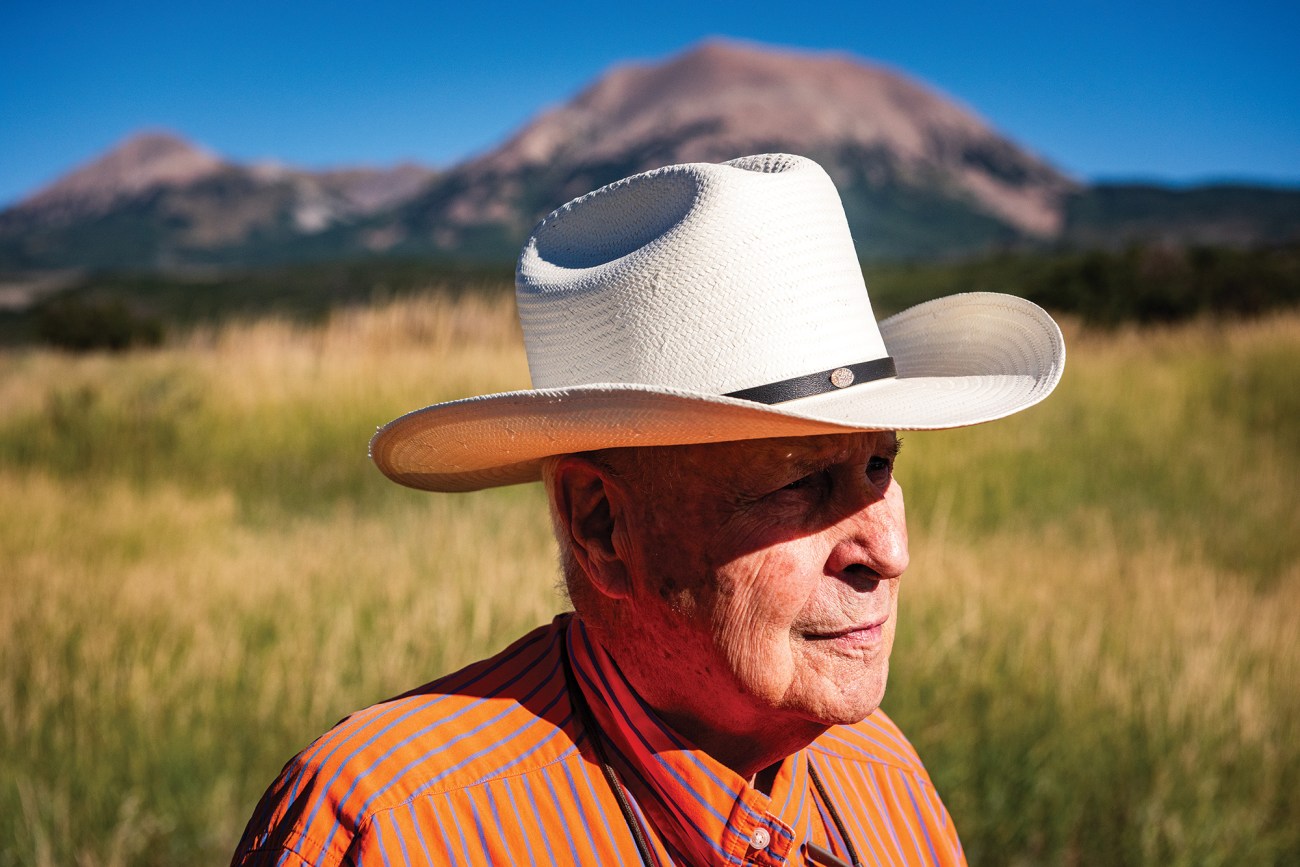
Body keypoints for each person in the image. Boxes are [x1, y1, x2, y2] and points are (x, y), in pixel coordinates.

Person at [232, 153, 1064, 866]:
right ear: (599, 524)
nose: (885, 550)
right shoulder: (394, 831)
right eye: (796, 481)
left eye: (879, 463)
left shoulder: (882, 777)